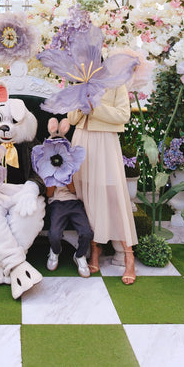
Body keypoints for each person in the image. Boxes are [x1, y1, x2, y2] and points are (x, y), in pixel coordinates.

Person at [68, 85, 138, 285]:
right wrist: (81, 106)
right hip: (82, 141)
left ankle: (129, 256)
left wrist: (95, 107)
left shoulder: (117, 82)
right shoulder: (79, 83)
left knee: (114, 198)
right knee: (87, 198)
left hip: (106, 143)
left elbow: (123, 115)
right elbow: (71, 119)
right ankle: (95, 250)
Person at [46, 178, 94, 277]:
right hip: (57, 202)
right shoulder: (49, 171)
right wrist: (53, 179)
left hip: (74, 202)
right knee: (54, 235)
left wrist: (66, 177)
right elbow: (49, 194)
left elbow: (73, 190)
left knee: (86, 233)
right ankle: (55, 251)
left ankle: (79, 255)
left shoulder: (74, 170)